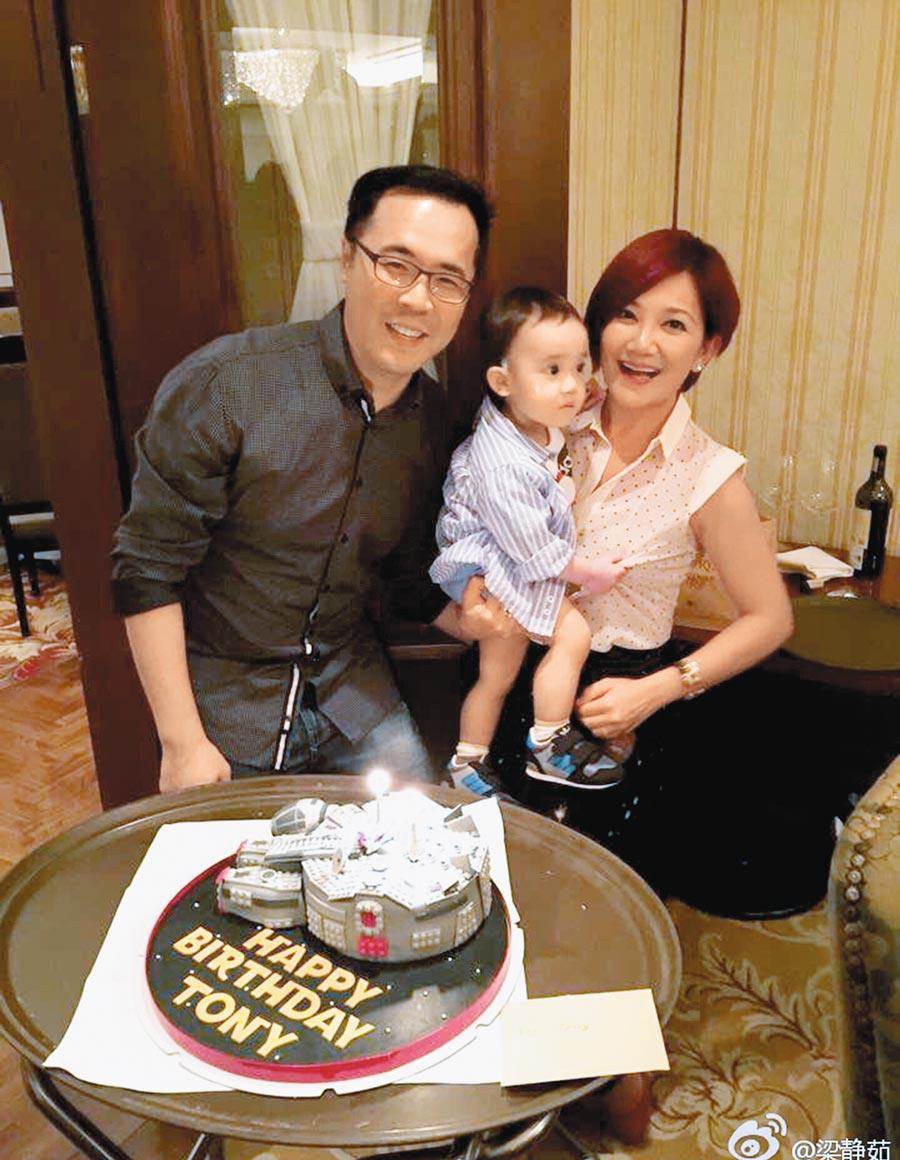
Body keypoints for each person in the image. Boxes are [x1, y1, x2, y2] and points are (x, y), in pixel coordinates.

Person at [111, 165, 518, 791]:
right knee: (240, 857)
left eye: (447, 280)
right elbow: (146, 568)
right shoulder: (228, 384)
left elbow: (406, 576)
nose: (418, 299)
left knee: (419, 835)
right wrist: (182, 743)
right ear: (347, 260)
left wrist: (461, 617)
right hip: (226, 701)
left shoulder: (437, 423)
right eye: (396, 265)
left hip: (351, 692)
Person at [564, 228, 793, 888]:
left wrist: (659, 689)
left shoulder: (708, 475)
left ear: (708, 348)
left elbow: (770, 618)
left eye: (673, 324)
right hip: (508, 678)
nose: (641, 343)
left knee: (593, 896)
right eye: (626, 314)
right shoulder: (550, 424)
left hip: (615, 701)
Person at [430, 287, 627, 799]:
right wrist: (588, 572)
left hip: (502, 562)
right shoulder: (502, 465)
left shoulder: (528, 419)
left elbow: (556, 416)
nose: (573, 386)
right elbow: (533, 549)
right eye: (553, 371)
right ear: (502, 382)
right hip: (497, 565)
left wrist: (582, 403)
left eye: (580, 368)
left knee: (497, 676)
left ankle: (465, 764)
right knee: (574, 633)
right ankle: (548, 743)